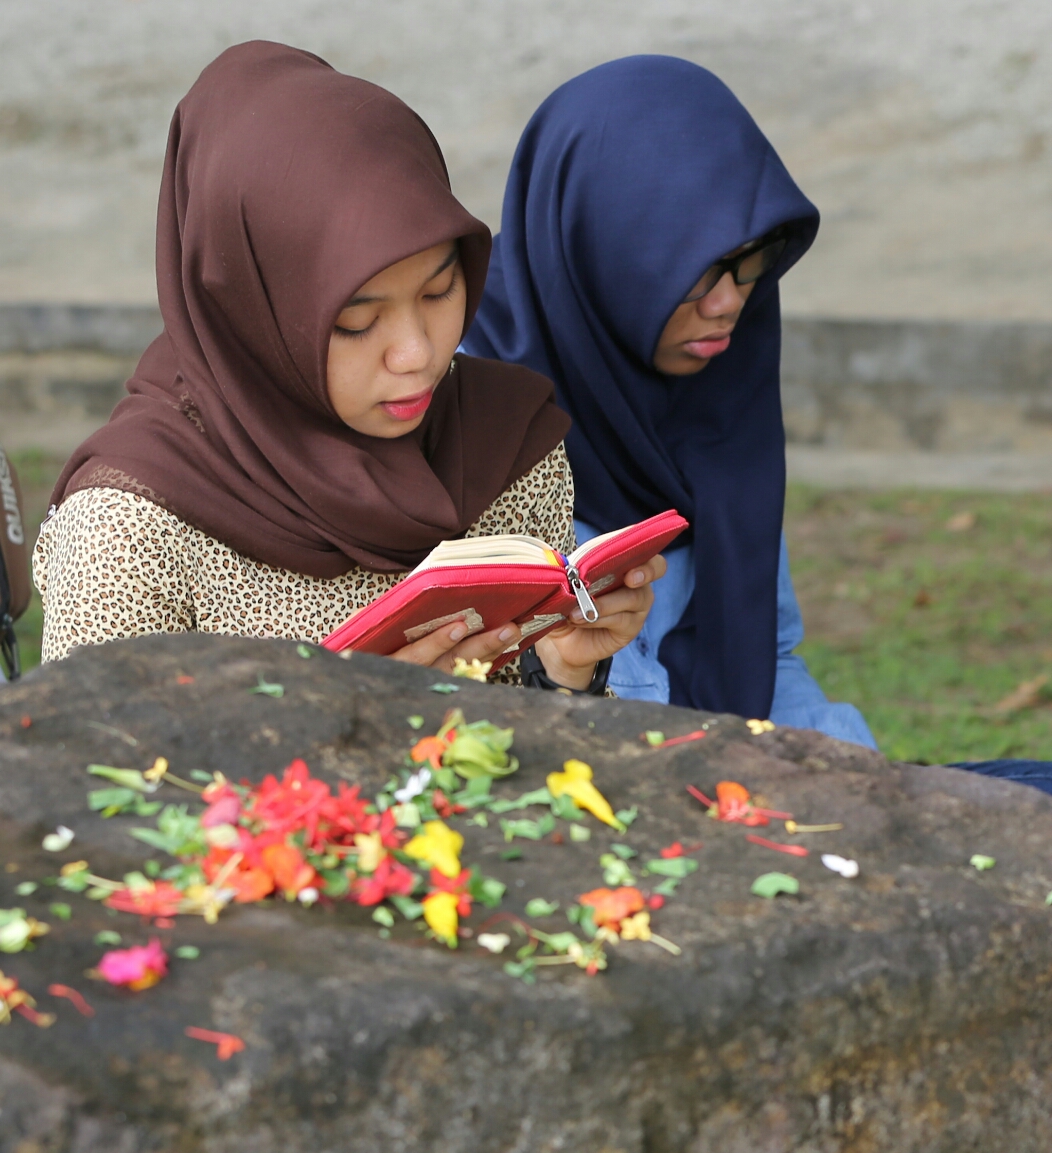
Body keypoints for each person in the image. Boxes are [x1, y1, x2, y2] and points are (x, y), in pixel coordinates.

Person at [35, 42, 657, 687]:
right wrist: (337, 718)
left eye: (440, 291)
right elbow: (85, 780)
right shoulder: (130, 532)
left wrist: (565, 673)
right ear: (252, 310)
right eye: (357, 322)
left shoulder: (506, 452)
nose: (417, 354)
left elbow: (531, 764)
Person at [463, 57, 872, 744]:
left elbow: (769, 661)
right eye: (700, 269)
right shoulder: (456, 401)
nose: (730, 304)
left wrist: (861, 784)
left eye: (753, 262)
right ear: (603, 245)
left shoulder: (716, 373)